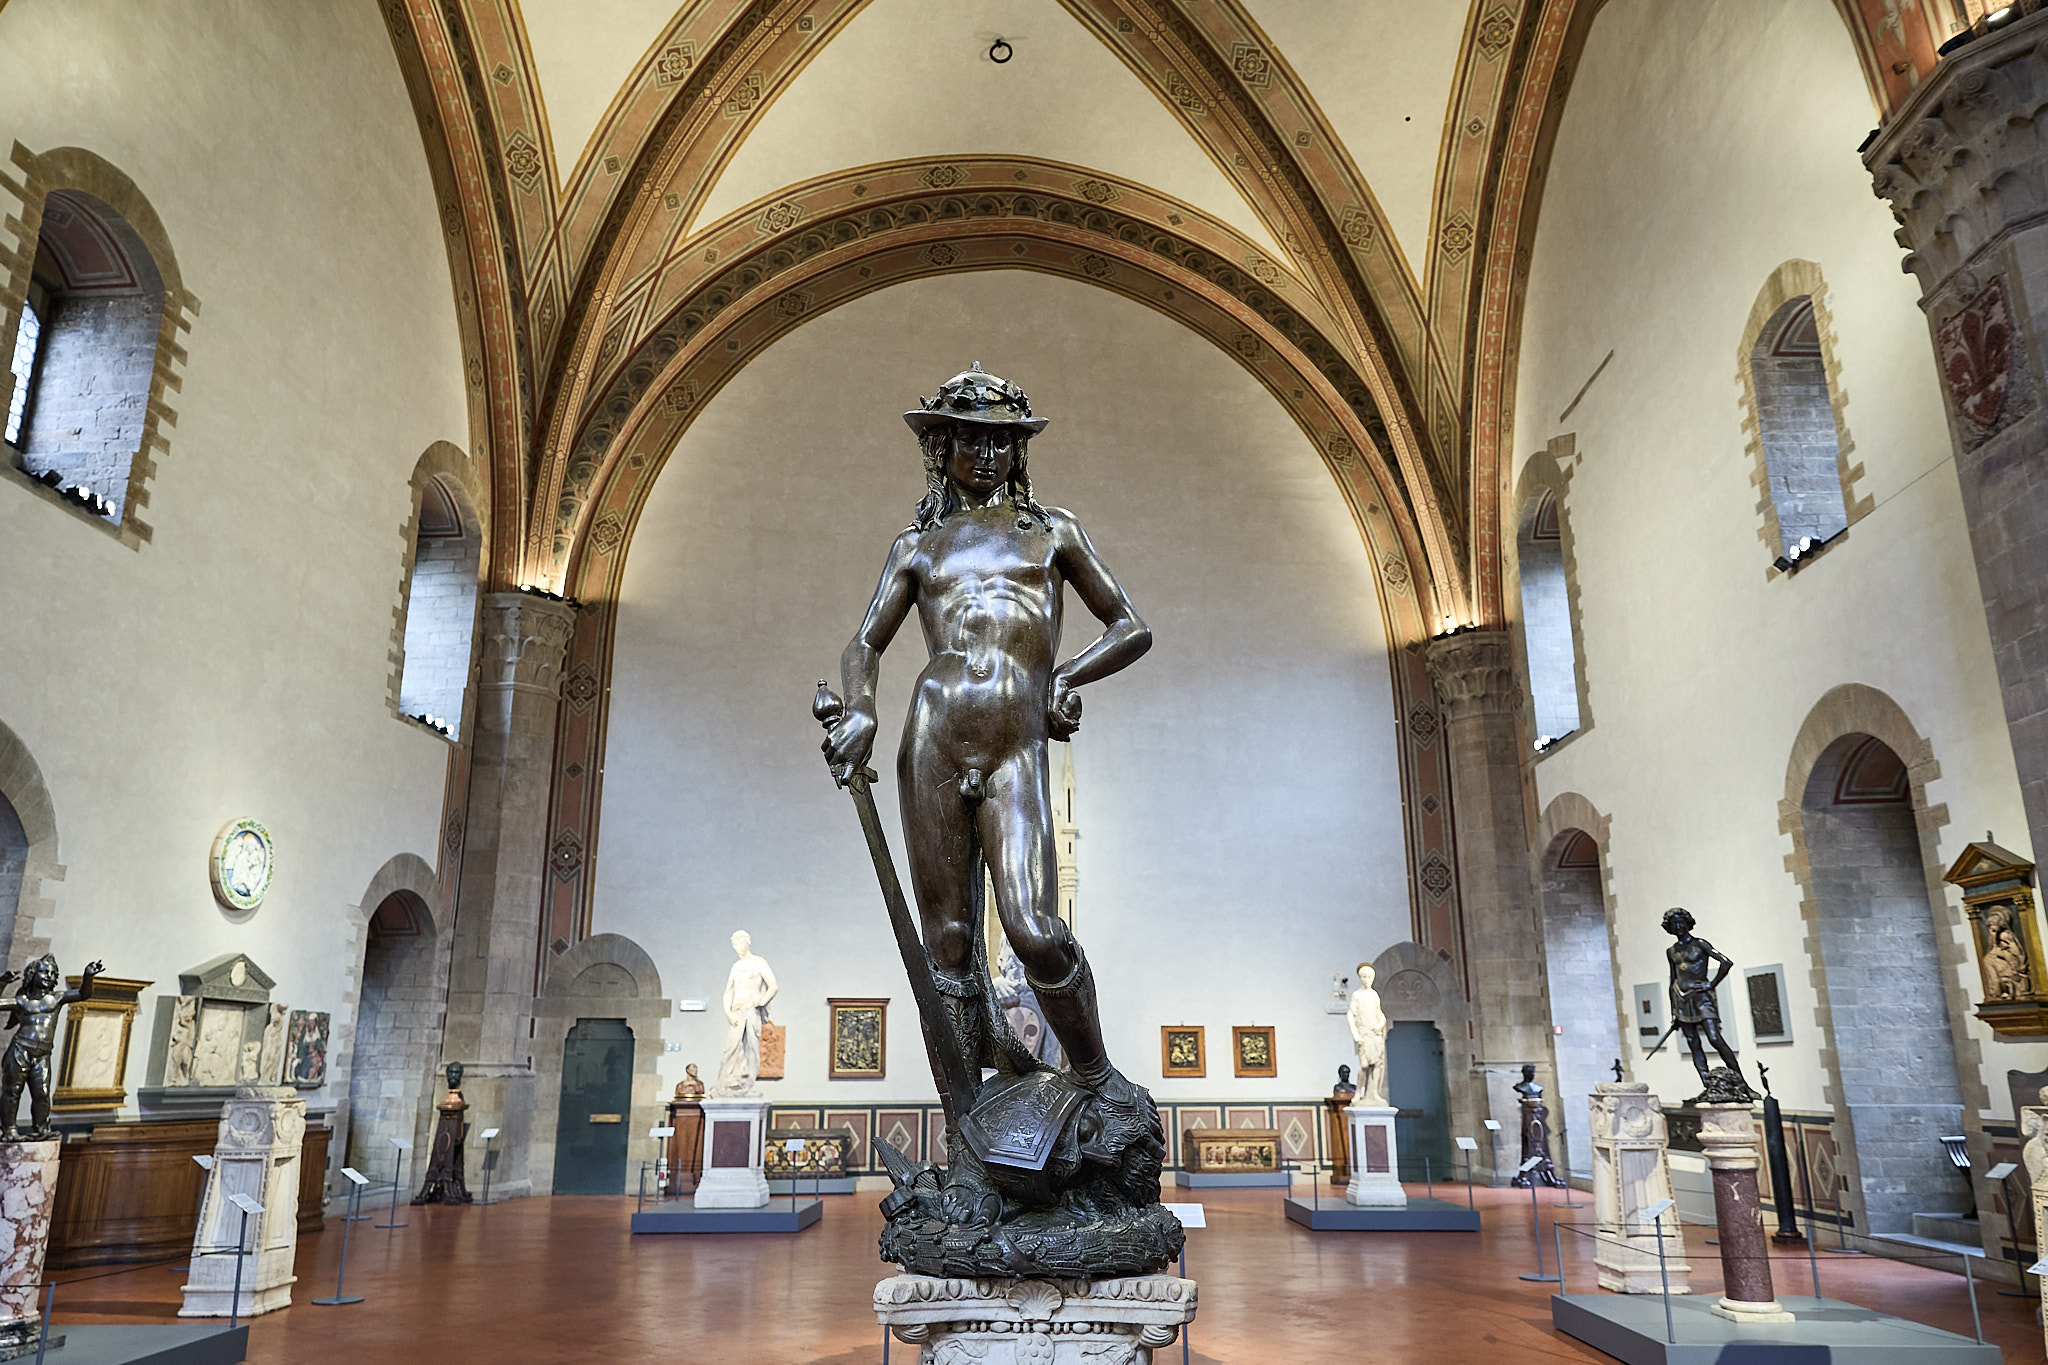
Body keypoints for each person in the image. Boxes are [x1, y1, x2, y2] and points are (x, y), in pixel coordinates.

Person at [823, 362, 1159, 1212]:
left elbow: (1131, 624)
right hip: (932, 732)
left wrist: (1064, 676)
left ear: (1017, 449)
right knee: (946, 946)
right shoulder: (918, 546)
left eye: (1000, 439)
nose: (984, 451)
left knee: (1034, 926)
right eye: (968, 436)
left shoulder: (1053, 532)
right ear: (942, 447)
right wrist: (859, 711)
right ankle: (971, 1138)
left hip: (1015, 740)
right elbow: (865, 644)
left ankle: (1096, 1077)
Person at [1, 954, 104, 1139]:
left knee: (42, 1093)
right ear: (33, 974)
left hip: (42, 1053)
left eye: (52, 973)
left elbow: (83, 994)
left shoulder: (57, 998)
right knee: (12, 1091)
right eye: (44, 971)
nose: (48, 975)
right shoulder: (22, 1000)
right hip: (21, 1049)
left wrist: (88, 977)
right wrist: (2, 983)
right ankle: (10, 1130)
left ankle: (41, 1129)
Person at [1661, 908, 1753, 1098]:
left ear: (1687, 923)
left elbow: (1726, 962)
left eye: (1681, 922)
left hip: (1700, 997)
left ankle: (1743, 1084)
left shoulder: (1700, 944)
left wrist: (1711, 984)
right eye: (1673, 924)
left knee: (1715, 1038)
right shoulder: (1671, 951)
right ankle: (1708, 1086)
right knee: (1694, 1043)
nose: (1678, 927)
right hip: (1681, 998)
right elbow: (1672, 980)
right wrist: (1673, 1012)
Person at [713, 931, 777, 1095]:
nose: (737, 947)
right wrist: (728, 1012)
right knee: (730, 1049)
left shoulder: (758, 962)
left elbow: (773, 986)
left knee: (751, 1049)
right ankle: (726, 1084)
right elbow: (728, 992)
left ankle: (747, 1086)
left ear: (747, 943)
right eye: (734, 944)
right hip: (737, 1012)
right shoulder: (735, 967)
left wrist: (761, 1002)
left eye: (739, 943)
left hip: (751, 1010)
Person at [1347, 963, 1389, 1106]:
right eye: (1364, 977)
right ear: (1360, 978)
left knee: (1377, 1064)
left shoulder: (1374, 995)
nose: (1366, 980)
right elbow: (1351, 1014)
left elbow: (1380, 1014)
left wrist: (1380, 1024)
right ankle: (1359, 1091)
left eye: (1369, 977)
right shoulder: (1357, 995)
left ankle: (1374, 1093)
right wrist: (1356, 1035)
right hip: (1364, 1035)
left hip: (1375, 1035)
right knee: (1364, 1065)